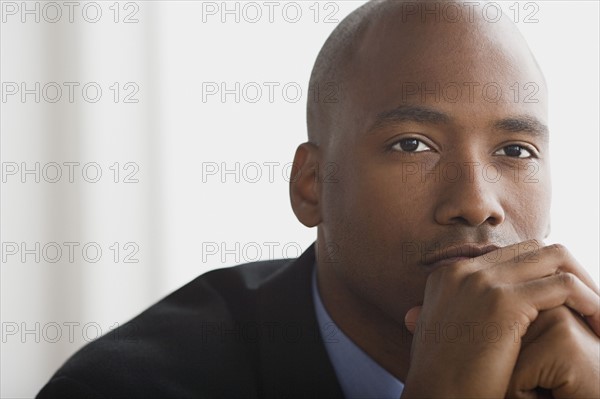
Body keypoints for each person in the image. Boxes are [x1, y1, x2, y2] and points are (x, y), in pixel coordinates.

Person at [38, 1, 600, 398]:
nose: (477, 204)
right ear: (311, 185)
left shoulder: (578, 364)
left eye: (516, 151)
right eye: (413, 144)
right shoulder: (121, 388)